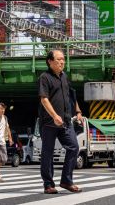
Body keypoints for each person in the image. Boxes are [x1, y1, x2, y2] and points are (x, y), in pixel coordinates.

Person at [38, 49, 83, 194]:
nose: (62, 62)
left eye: (63, 59)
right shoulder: (44, 77)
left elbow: (71, 95)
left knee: (74, 147)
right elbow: (44, 99)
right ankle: (48, 184)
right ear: (50, 61)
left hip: (65, 121)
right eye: (58, 59)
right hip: (49, 123)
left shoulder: (64, 76)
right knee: (48, 153)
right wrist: (54, 116)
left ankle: (66, 181)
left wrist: (78, 111)